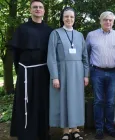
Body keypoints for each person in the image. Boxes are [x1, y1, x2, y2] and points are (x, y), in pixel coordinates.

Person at [9, 0, 53, 140]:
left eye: (40, 7)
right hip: (26, 72)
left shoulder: (49, 31)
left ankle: (42, 132)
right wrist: (20, 71)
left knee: (43, 102)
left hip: (43, 72)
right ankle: (26, 133)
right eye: (35, 7)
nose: (38, 9)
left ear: (44, 11)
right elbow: (15, 53)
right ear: (30, 10)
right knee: (25, 102)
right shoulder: (22, 29)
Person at [47, 7, 89, 140]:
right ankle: (65, 131)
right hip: (62, 73)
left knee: (76, 101)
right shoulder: (55, 33)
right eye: (66, 16)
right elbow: (51, 57)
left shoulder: (79, 35)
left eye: (71, 16)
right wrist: (55, 76)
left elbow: (85, 57)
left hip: (77, 72)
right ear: (62, 18)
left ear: (74, 18)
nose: (69, 19)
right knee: (63, 100)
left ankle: (76, 130)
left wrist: (86, 75)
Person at [86, 11, 115, 139]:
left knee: (110, 102)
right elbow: (86, 55)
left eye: (110, 20)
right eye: (105, 20)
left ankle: (109, 127)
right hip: (97, 71)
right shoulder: (91, 35)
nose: (108, 22)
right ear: (100, 21)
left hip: (114, 72)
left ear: (113, 22)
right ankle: (99, 128)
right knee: (98, 101)